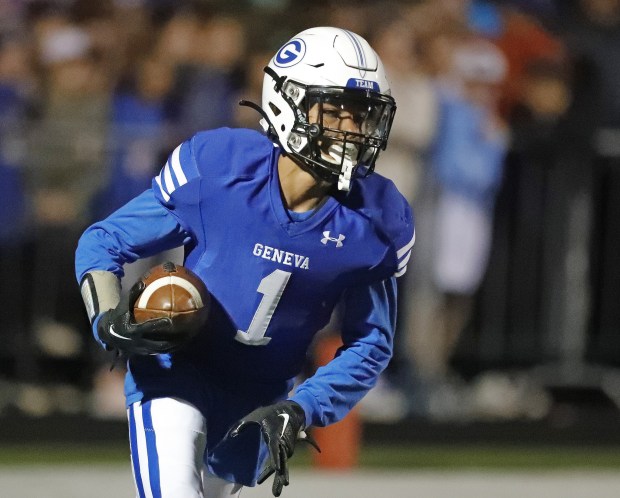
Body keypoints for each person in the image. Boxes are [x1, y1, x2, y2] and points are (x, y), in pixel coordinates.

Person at [75, 27, 414, 498]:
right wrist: (108, 317)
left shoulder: (375, 219)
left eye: (362, 116)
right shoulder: (222, 167)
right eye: (336, 111)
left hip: (259, 398)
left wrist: (304, 406)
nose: (352, 130)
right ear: (286, 102)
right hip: (176, 372)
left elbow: (370, 344)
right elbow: (105, 240)